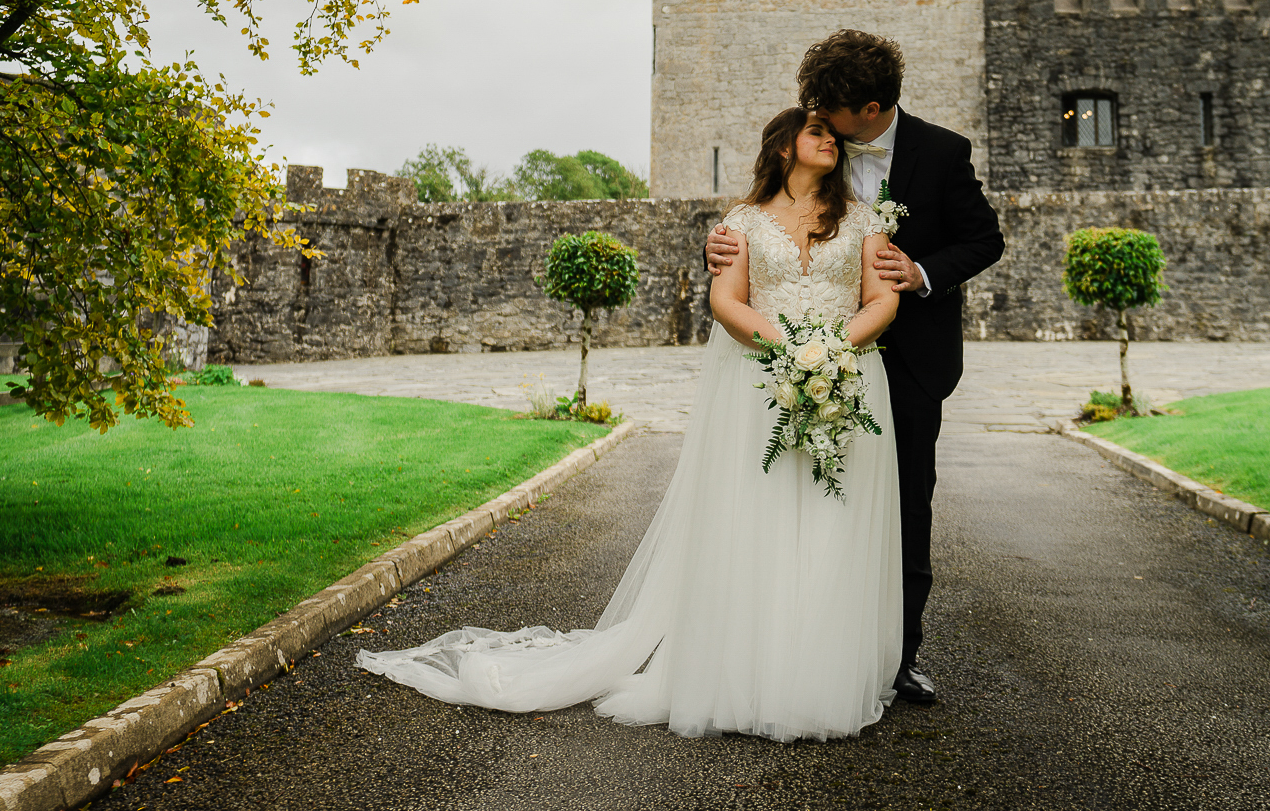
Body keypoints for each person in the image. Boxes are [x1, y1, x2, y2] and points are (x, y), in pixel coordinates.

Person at [358, 108, 905, 741]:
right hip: (760, 385)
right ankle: (750, 673)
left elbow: (882, 297)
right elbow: (726, 303)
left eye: (834, 137)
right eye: (816, 133)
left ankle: (818, 674)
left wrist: (830, 350)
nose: (830, 142)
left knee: (833, 522)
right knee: (758, 522)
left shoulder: (862, 218)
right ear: (783, 149)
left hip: (846, 381)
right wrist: (791, 348)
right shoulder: (741, 224)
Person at [705, 30, 1005, 706]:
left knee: (902, 512)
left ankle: (895, 658)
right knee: (800, 503)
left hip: (911, 361)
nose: (821, 125)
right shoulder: (814, 151)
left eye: (830, 116)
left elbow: (985, 238)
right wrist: (728, 242)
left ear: (869, 109)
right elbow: (772, 224)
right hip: (802, 359)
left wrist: (923, 272)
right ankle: (788, 645)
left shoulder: (943, 152)